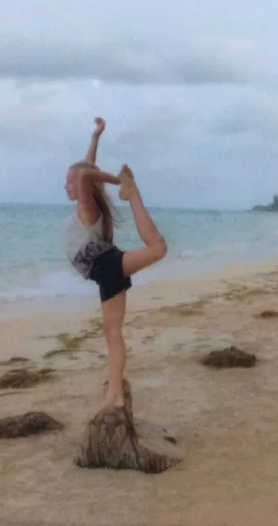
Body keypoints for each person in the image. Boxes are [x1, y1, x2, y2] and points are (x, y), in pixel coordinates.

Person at [63, 117, 168, 412]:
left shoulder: (88, 207)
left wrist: (120, 182)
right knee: (113, 335)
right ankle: (115, 392)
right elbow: (88, 169)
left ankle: (132, 193)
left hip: (107, 266)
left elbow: (86, 175)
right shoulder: (89, 204)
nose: (66, 185)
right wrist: (95, 137)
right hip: (106, 272)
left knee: (159, 248)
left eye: (68, 181)